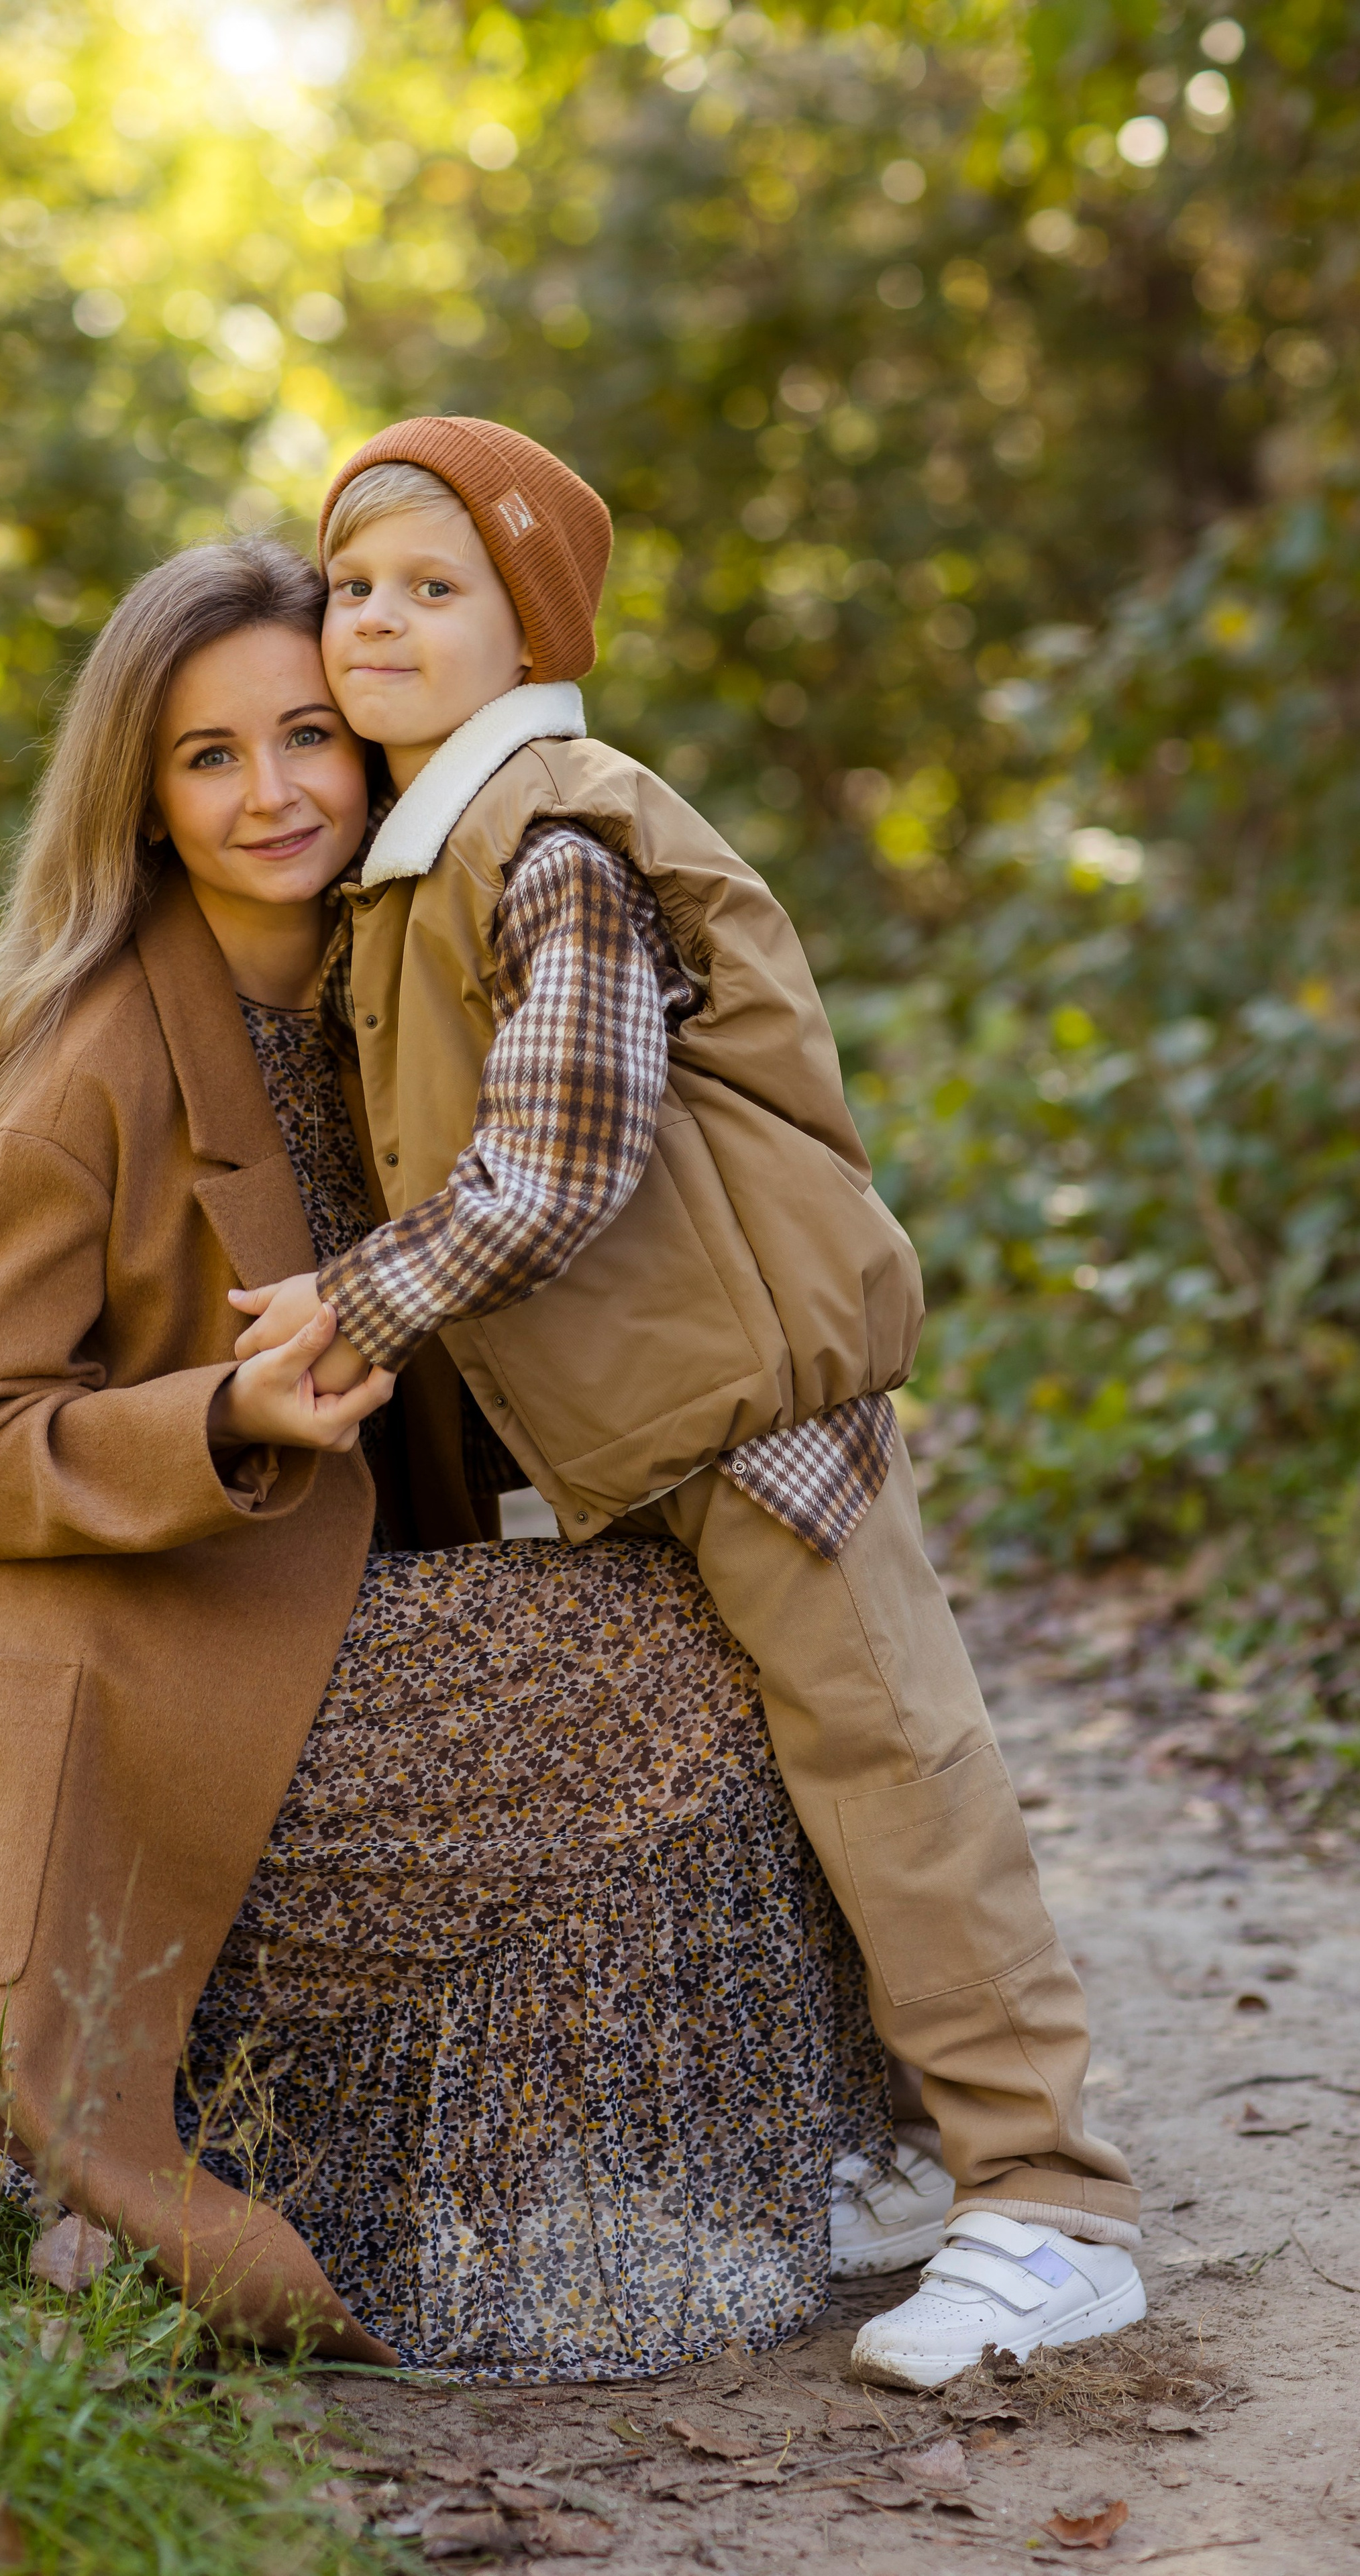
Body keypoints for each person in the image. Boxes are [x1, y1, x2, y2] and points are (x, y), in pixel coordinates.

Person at [0, 535, 896, 2380]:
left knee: (744, 1609)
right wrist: (225, 1416)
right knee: (642, 1680)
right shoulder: (90, 1060)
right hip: (144, 1654)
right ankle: (513, 2200)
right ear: (144, 796)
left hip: (328, 1605)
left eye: (310, 735)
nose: (271, 793)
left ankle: (659, 2164)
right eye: (207, 755)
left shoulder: (404, 968)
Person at [229, 419, 1149, 2388]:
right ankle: (904, 2155)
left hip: (756, 1399)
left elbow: (561, 1155)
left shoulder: (555, 834)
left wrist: (355, 1304)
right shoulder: (424, 858)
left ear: (531, 623)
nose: (375, 621)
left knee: (894, 1768)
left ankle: (1056, 2203)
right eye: (356, 586)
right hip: (656, 1417)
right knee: (786, 1791)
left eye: (433, 587)